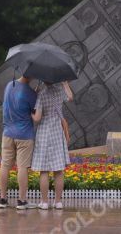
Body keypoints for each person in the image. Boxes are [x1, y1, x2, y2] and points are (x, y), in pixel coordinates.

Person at [0, 73, 38, 210]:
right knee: (22, 167)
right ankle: (21, 201)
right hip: (24, 135)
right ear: (31, 75)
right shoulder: (31, 93)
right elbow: (35, 113)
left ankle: (2, 200)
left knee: (5, 166)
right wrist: (36, 94)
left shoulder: (10, 85)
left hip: (7, 133)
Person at [31, 81, 71, 210]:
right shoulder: (59, 90)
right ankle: (58, 202)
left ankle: (44, 202)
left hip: (44, 132)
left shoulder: (41, 94)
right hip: (57, 131)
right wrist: (65, 84)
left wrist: (31, 109)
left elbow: (37, 118)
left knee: (44, 170)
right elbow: (70, 97)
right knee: (58, 170)